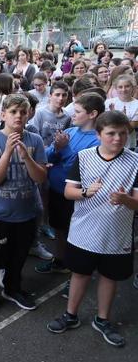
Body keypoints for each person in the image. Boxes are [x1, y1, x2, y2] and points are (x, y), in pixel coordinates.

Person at [46, 112, 138, 348]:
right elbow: (69, 192)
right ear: (99, 135)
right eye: (111, 133)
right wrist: (87, 192)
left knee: (109, 277)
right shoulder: (84, 157)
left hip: (117, 236)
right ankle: (71, 315)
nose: (117, 138)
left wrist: (126, 200)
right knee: (80, 274)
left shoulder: (135, 161)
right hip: (83, 232)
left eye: (122, 133)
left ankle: (103, 319)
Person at [0, 94, 47, 322]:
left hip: (27, 212)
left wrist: (26, 156)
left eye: (22, 112)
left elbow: (40, 177)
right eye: (13, 112)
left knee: (18, 258)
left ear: (28, 115)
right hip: (0, 214)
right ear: (3, 114)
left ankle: (12, 288)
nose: (18, 116)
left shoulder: (35, 140)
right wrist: (8, 152)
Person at [35, 93, 103, 287]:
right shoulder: (72, 131)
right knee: (60, 230)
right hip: (57, 191)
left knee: (76, 235)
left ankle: (76, 274)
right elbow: (48, 155)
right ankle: (60, 261)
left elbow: (78, 167)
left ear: (93, 114)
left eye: (78, 111)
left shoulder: (97, 140)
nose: (72, 114)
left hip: (76, 196)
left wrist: (62, 150)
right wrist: (56, 148)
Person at [30, 81, 71, 146]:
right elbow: (33, 136)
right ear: (50, 96)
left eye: (64, 95)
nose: (61, 98)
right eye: (57, 95)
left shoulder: (67, 117)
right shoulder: (39, 113)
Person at [104, 74, 138, 149]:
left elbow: (129, 130)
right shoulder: (108, 102)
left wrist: (122, 118)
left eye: (127, 86)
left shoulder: (136, 105)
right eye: (120, 87)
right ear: (116, 88)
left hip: (128, 145)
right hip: (109, 143)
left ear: (133, 87)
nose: (123, 89)